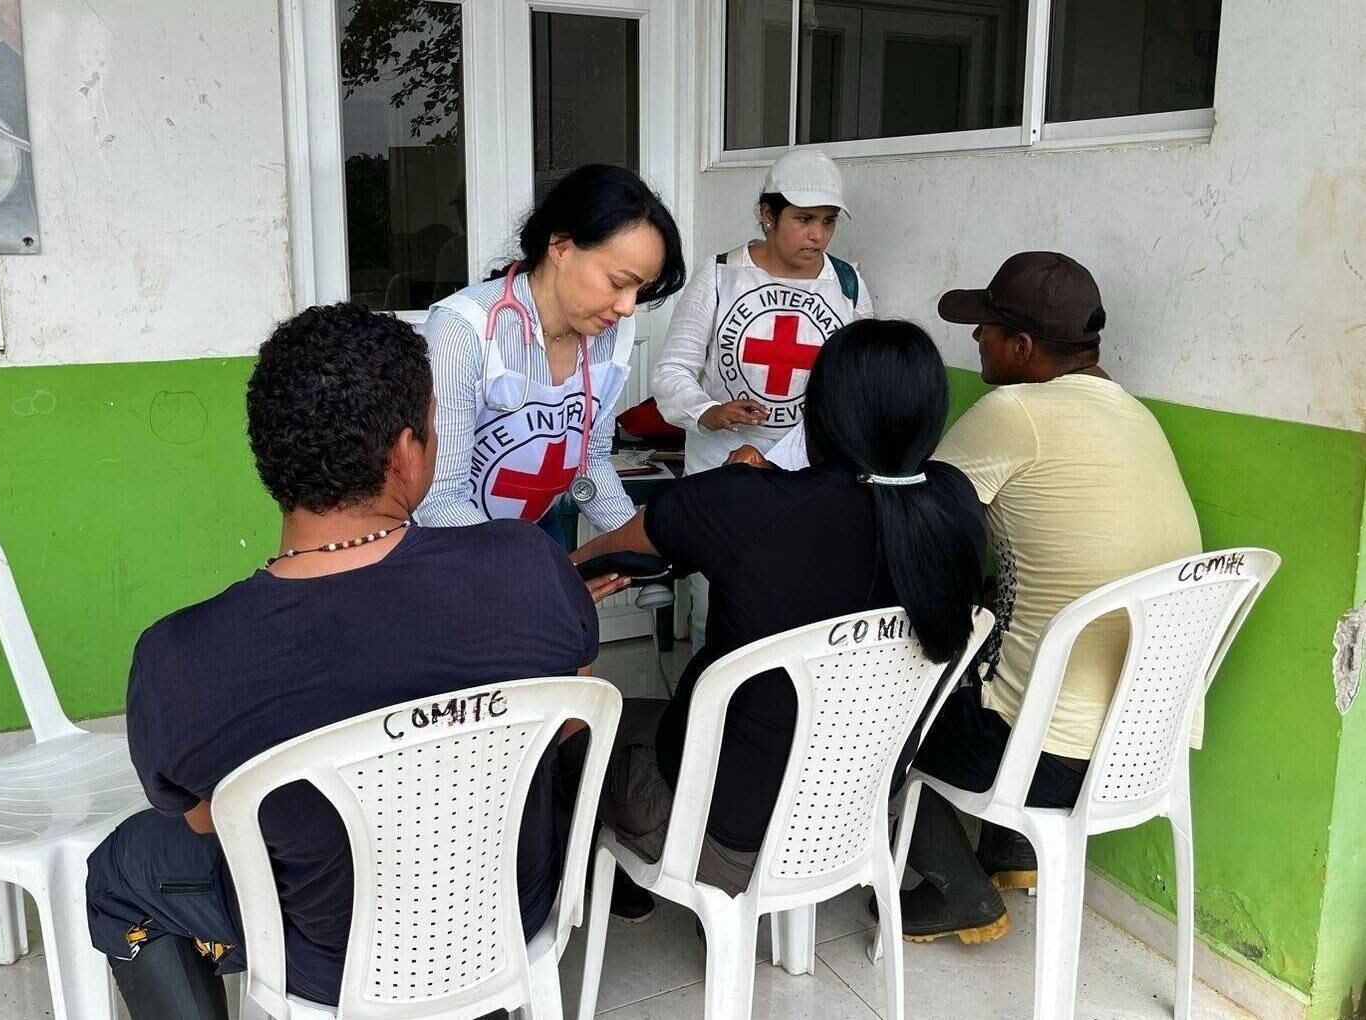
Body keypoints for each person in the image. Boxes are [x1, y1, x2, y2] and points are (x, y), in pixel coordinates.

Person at [85, 304, 609, 1019]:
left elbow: (210, 823)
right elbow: (572, 719)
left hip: (322, 957)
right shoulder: (526, 565)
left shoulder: (180, 658)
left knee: (121, 872)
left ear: (269, 454)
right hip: (510, 914)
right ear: (405, 449)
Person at [574, 319, 983, 896]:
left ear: (822, 414)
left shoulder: (744, 505)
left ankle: (618, 897)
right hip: (857, 820)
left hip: (725, 841)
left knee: (574, 730)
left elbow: (605, 555)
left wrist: (742, 489)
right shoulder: (954, 503)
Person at [895, 252, 1202, 944]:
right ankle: (1009, 851)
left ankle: (960, 890)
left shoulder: (1013, 411)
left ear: (1024, 348)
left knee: (871, 707)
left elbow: (918, 529)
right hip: (1146, 749)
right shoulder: (1135, 414)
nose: (976, 340)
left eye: (986, 329)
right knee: (1015, 640)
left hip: (1046, 761)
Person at [649, 148, 873, 650]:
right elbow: (671, 372)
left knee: (795, 609)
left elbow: (861, 379)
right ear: (768, 216)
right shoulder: (722, 274)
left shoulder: (847, 284)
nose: (817, 235)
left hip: (808, 480)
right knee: (717, 608)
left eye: (828, 221)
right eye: (804, 219)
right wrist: (709, 410)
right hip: (723, 473)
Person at [416, 164, 686, 537]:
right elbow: (440, 498)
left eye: (639, 290)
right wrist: (532, 571)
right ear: (560, 246)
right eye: (618, 283)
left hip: (536, 528)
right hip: (452, 542)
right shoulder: (463, 331)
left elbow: (589, 461)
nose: (627, 306)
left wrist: (635, 539)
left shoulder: (611, 335)